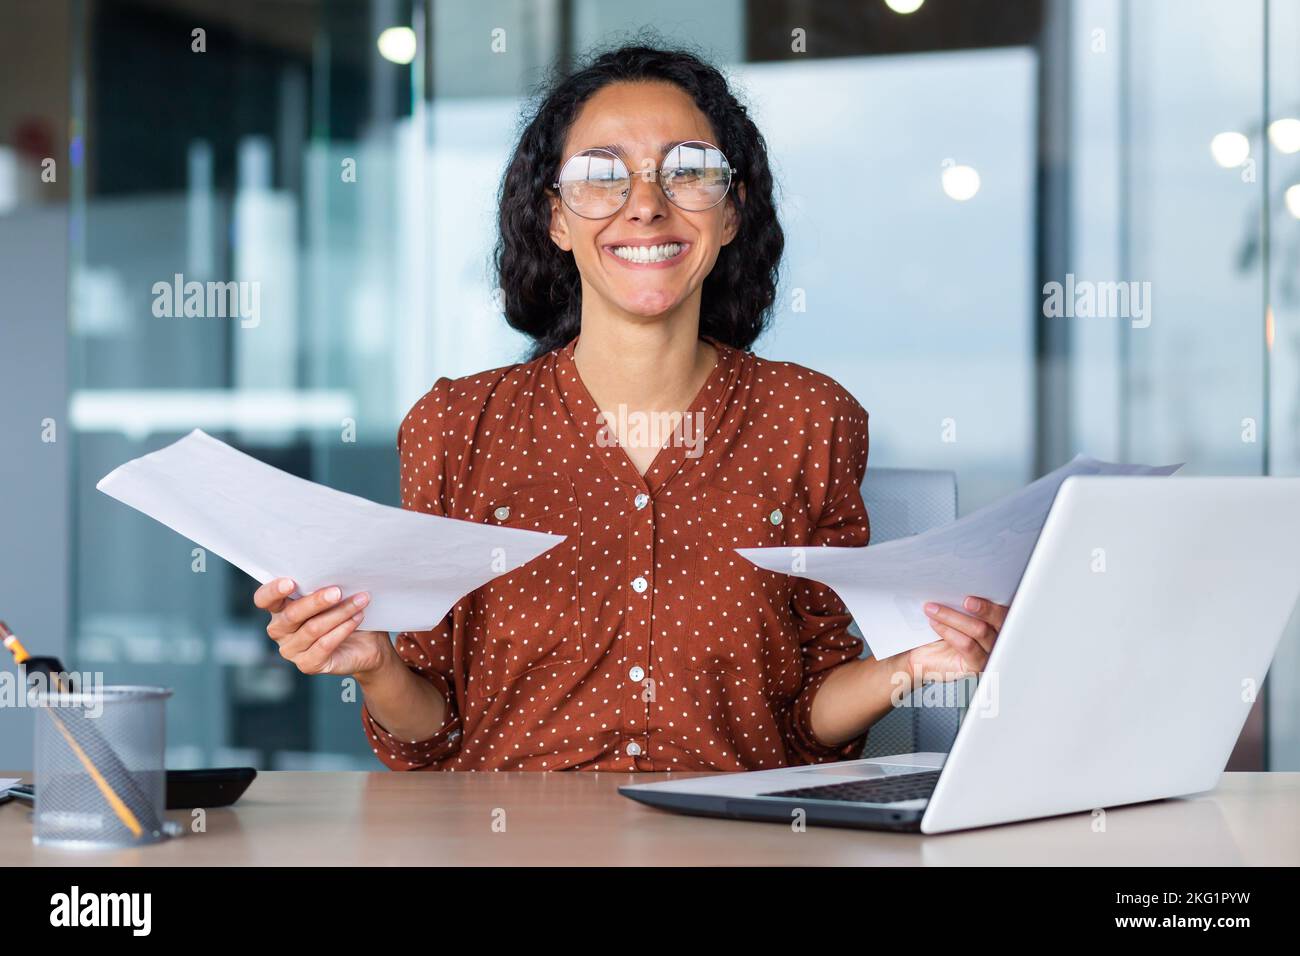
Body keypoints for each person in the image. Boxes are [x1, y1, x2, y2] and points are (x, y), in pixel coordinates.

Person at [253, 44, 1007, 772]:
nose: (645, 205)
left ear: (732, 212)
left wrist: (916, 664)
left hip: (734, 835)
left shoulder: (809, 418)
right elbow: (435, 732)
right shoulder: (457, 427)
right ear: (555, 218)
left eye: (689, 172)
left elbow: (807, 723)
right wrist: (376, 665)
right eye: (600, 175)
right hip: (508, 837)